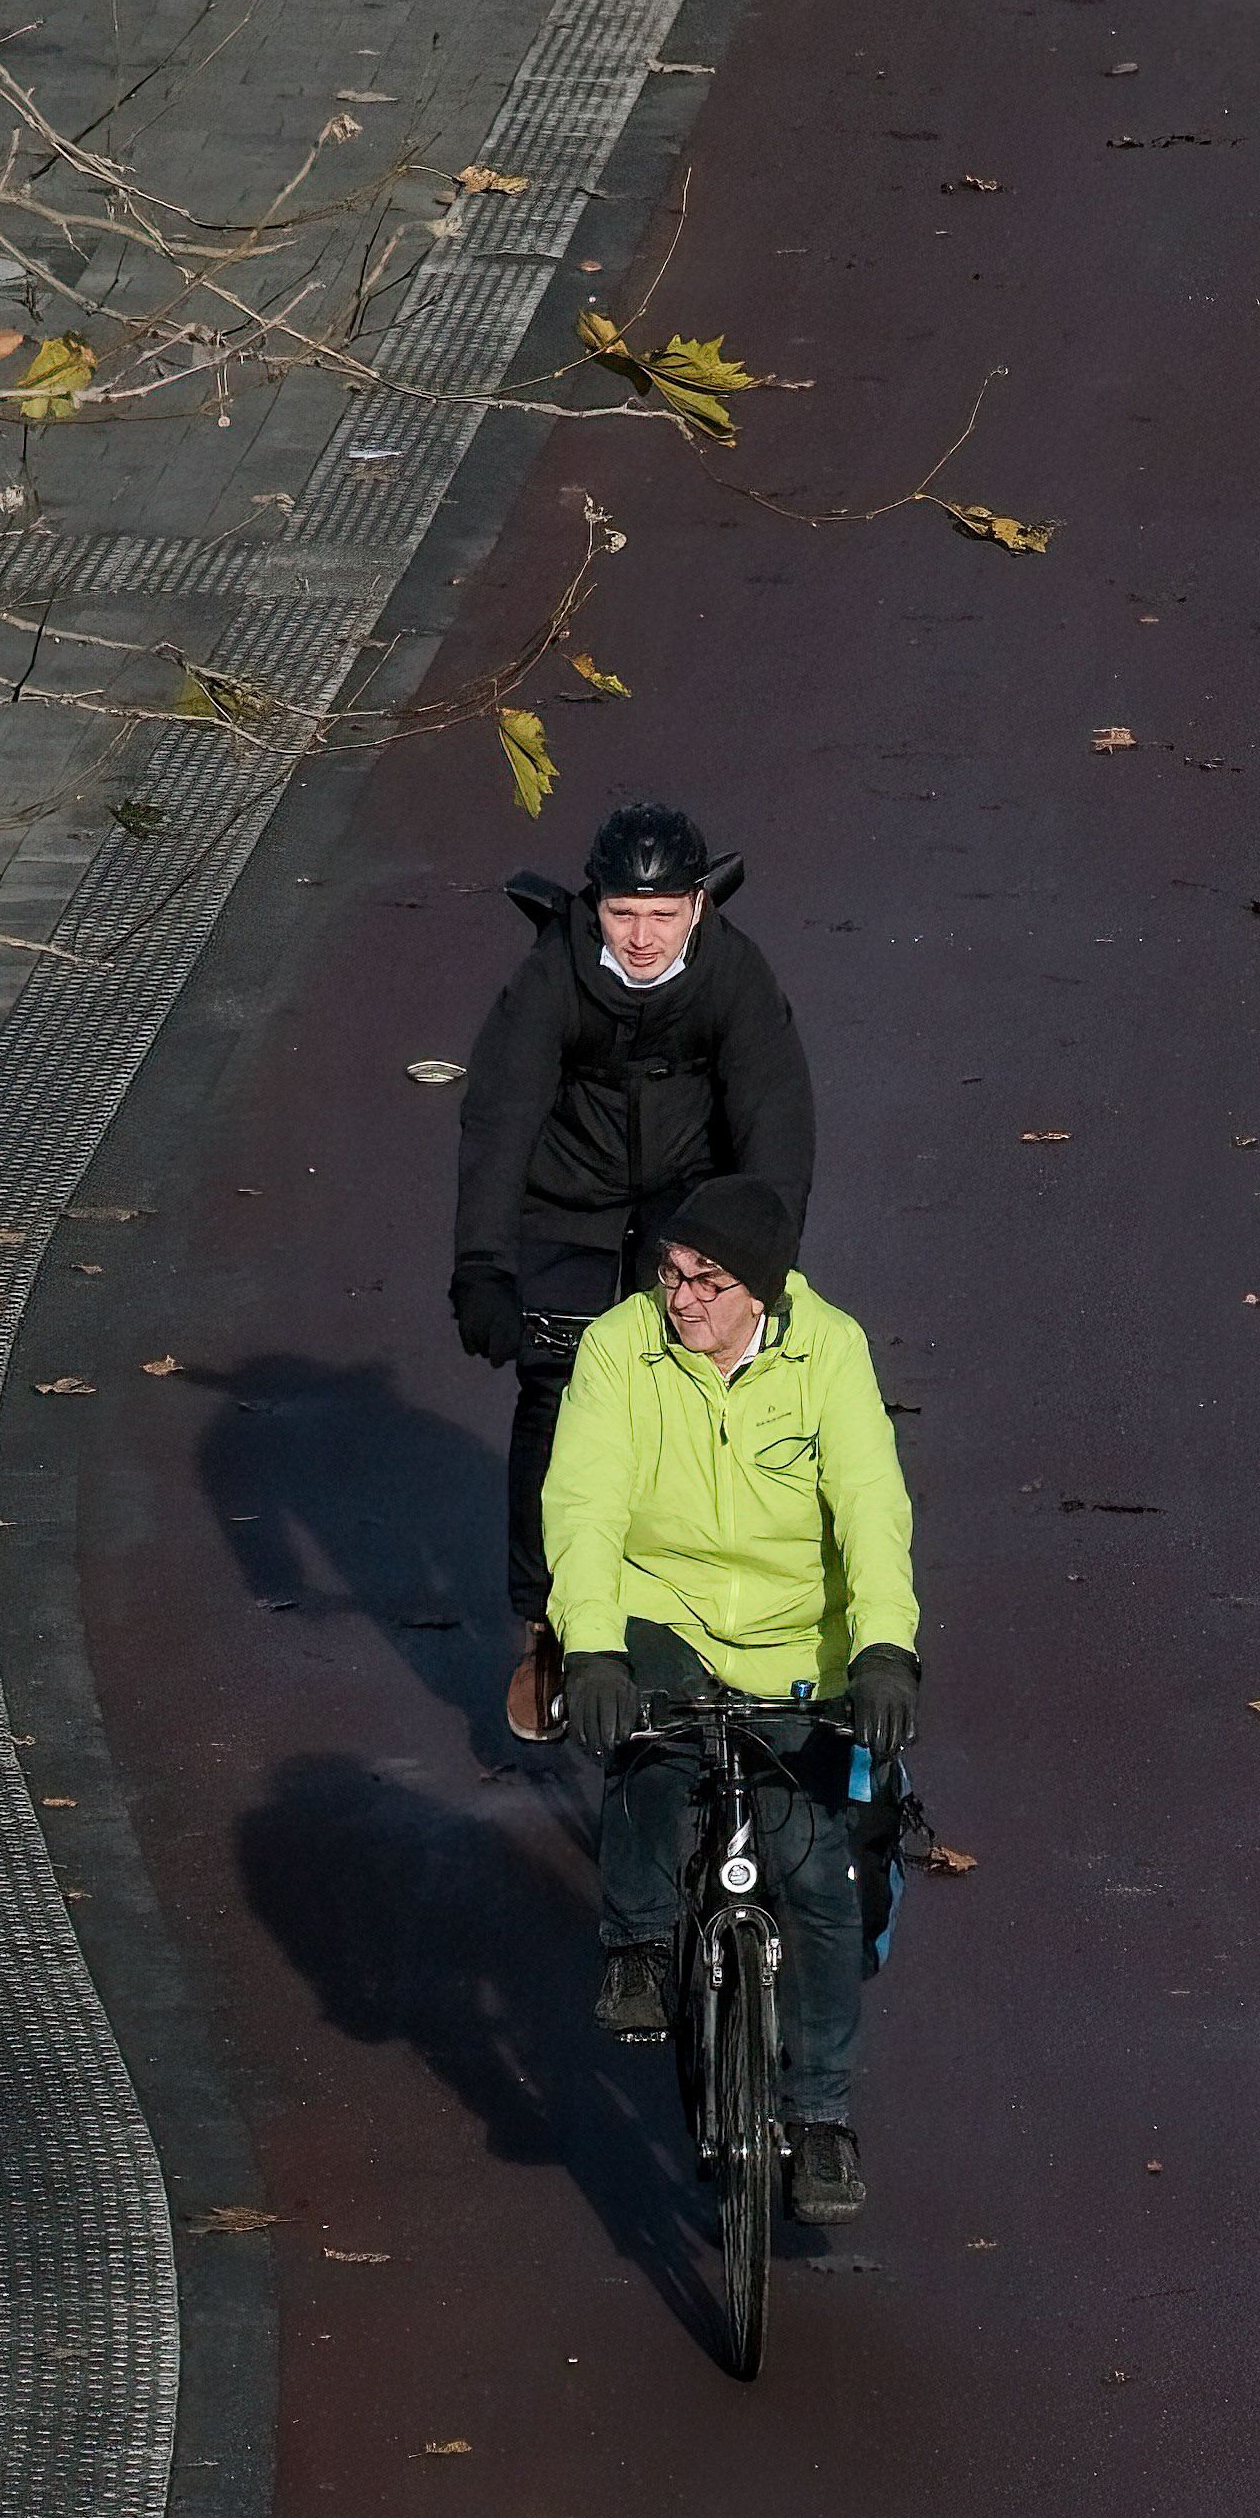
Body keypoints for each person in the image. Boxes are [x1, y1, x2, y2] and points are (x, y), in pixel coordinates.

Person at [539, 1175, 918, 2232]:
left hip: (800, 1640)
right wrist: (594, 1648)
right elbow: (582, 1499)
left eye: (707, 1280)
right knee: (649, 1763)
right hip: (662, 1612)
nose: (681, 1298)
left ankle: (821, 2116)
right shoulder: (620, 1347)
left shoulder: (828, 1349)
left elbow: (869, 1505)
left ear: (765, 1288)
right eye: (671, 1273)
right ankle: (637, 1944)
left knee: (818, 1872)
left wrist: (886, 1646)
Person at [447, 798, 814, 1744]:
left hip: (685, 1196)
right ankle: (546, 1624)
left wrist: (762, 1263)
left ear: (697, 903)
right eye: (621, 914)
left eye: (661, 914)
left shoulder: (733, 972)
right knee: (555, 1385)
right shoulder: (550, 978)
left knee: (684, 1375)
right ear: (595, 906)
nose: (642, 937)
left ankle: (675, 1593)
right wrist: (484, 1266)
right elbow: (498, 1119)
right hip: (565, 1197)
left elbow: (778, 1120)